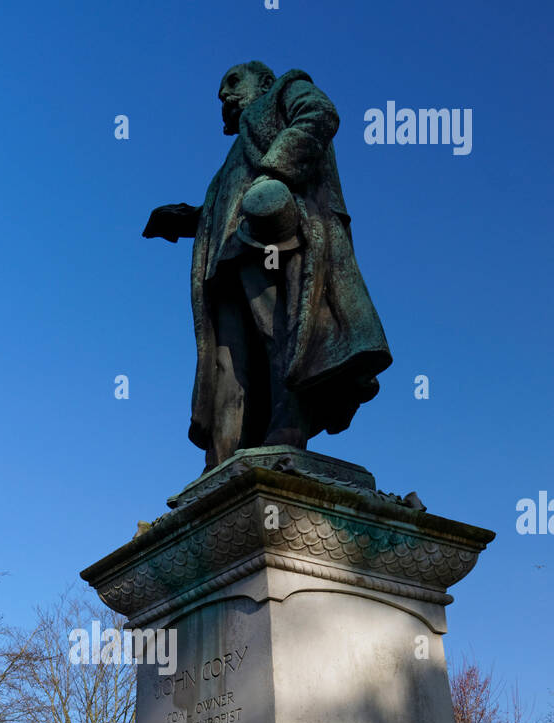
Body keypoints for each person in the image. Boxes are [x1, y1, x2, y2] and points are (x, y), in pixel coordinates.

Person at [144, 60, 392, 470]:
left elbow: (320, 114)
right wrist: (186, 217)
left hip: (272, 243)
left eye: (232, 82)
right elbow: (227, 205)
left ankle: (288, 429)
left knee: (281, 334)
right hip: (227, 258)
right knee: (229, 362)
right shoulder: (233, 156)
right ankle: (224, 456)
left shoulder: (286, 91)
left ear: (263, 81)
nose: (224, 95)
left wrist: (275, 172)